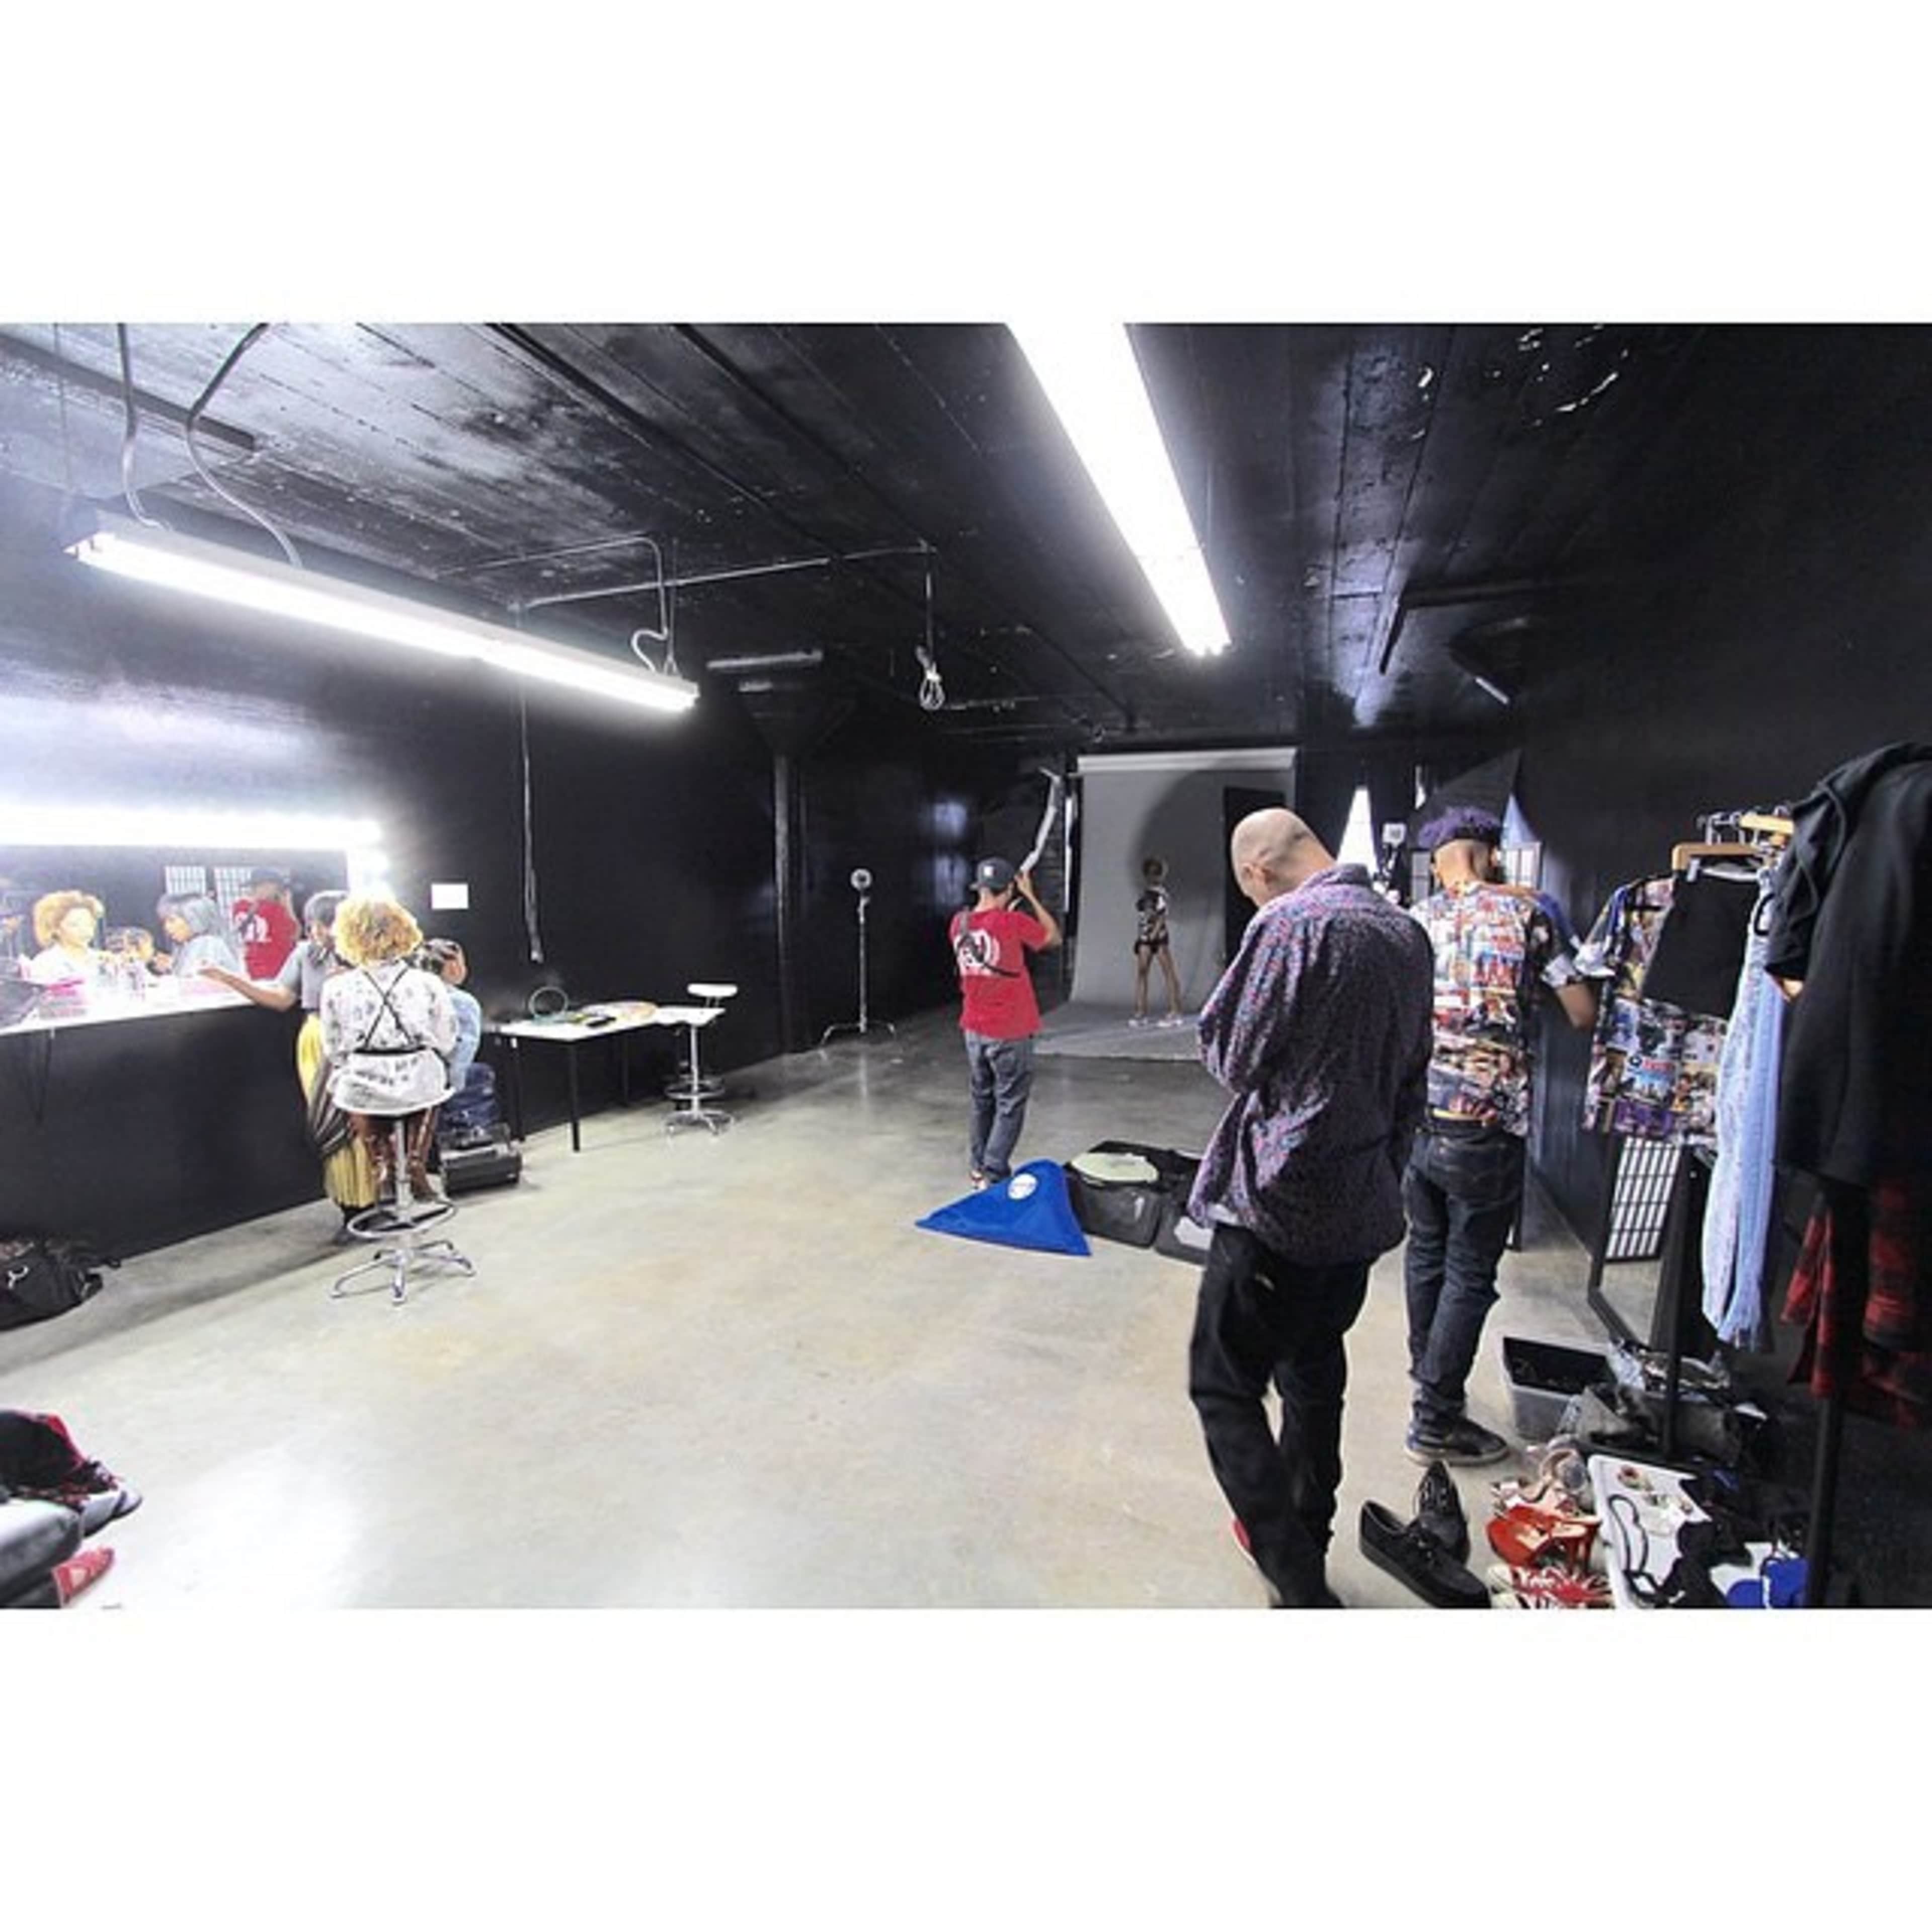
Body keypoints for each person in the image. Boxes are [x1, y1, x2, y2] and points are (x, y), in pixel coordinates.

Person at [1186, 808, 1433, 1608]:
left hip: (1277, 1203)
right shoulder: (1405, 933)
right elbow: (1412, 1076)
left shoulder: (1291, 926)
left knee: (1224, 1385)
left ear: (1257, 873)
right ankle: (1308, 1527)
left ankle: (1294, 1575)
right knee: (1313, 1370)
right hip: (1359, 1202)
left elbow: (1234, 1055)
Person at [1402, 809, 1597, 1466]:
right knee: (1469, 1273)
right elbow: (1581, 1011)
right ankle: (1434, 1419)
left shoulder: (1416, 922)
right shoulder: (1532, 913)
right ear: (1490, 854)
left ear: (1438, 861)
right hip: (1487, 1123)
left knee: (1426, 1254)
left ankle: (1429, 1382)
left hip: (1419, 1116)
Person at [198, 889, 378, 1234]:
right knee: (330, 1124)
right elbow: (282, 999)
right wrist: (232, 980)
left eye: (328, 923)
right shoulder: (305, 956)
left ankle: (376, 1199)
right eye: (317, 923)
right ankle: (351, 1207)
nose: (319, 931)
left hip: (363, 1042)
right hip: (319, 1040)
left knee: (366, 1124)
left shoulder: (373, 957)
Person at [321, 894, 457, 1205]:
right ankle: (414, 1164)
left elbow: (334, 1048)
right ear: (403, 930)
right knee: (431, 1078)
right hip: (417, 1083)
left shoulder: (336, 987)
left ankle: (381, 1166)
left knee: (348, 1083)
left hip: (365, 1085)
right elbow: (446, 1038)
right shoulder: (427, 983)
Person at [948, 855, 1062, 1188]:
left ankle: (977, 1166)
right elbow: (1052, 937)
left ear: (980, 888)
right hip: (1010, 1030)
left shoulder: (959, 923)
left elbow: (989, 930)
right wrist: (1030, 897)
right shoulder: (1013, 924)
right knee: (1010, 1102)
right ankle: (994, 1172)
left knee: (982, 1098)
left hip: (974, 1029)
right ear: (1009, 887)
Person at [420, 938, 483, 1096]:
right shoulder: (463, 1002)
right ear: (454, 967)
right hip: (444, 1083)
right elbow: (464, 1049)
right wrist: (454, 1087)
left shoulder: (413, 996)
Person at [1129, 855, 1184, 1027]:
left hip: (1157, 937)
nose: (1153, 877)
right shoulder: (1147, 894)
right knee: (1142, 973)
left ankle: (1176, 1012)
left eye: (1156, 873)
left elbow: (1163, 915)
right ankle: (1140, 1012)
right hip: (1145, 936)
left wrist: (1154, 933)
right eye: (1151, 873)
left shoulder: (1161, 894)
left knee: (1168, 973)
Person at [154, 893, 245, 979]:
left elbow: (195, 984)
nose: (167, 927)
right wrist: (172, 966)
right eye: (164, 922)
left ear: (195, 919)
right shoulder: (191, 945)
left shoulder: (208, 943)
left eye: (172, 920)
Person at [232, 868, 300, 979]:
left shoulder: (238, 907)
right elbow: (295, 934)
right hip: (278, 968)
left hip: (252, 966)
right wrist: (287, 905)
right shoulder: (275, 910)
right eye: (278, 887)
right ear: (268, 886)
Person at [26, 890, 105, 985]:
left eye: (89, 924)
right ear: (56, 929)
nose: (84, 930)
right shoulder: (45, 963)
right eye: (74, 925)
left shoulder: (102, 960)